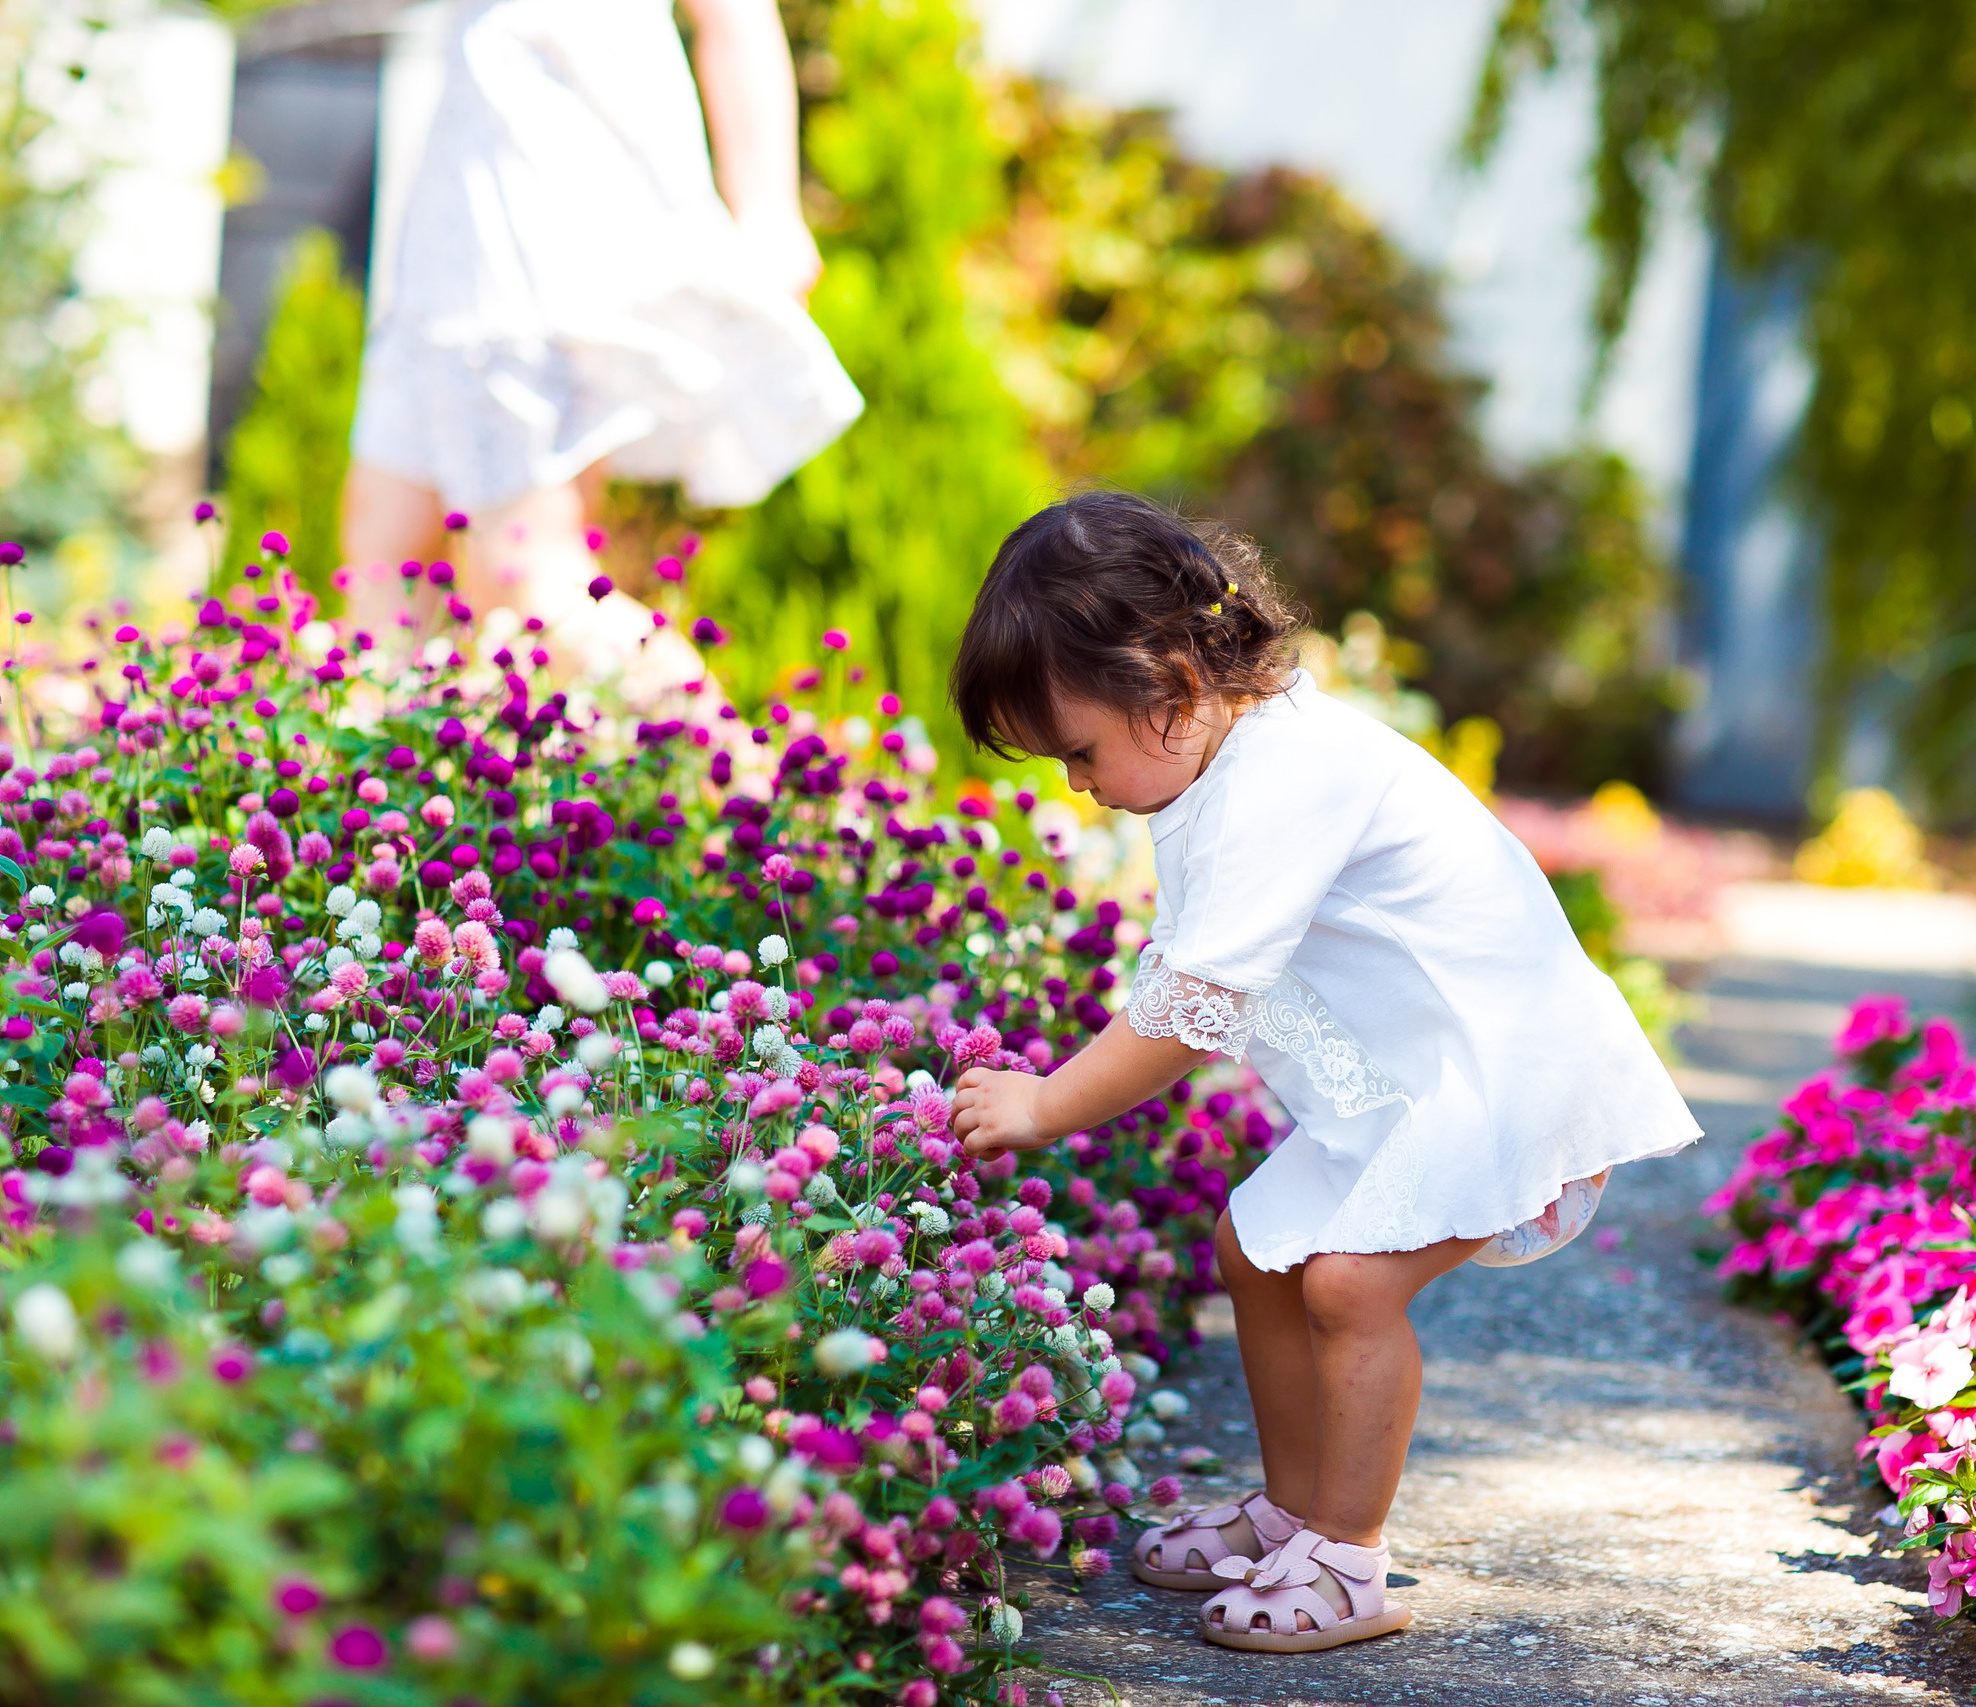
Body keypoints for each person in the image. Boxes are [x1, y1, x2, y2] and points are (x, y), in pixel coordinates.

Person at [946, 491, 1700, 1654]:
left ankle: (1348, 1560)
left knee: (1349, 1285)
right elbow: (1190, 968)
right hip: (1408, 1080)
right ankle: (1292, 1514)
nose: (1075, 786)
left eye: (1078, 751)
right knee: (1255, 1248)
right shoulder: (1219, 753)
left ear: (1173, 688)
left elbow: (1194, 1009)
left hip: (1497, 1065)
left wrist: (1047, 1103)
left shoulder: (1288, 771)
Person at [339, 0, 861, 682]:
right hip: (451, 231)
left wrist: (767, 210)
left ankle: (737, 771)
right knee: (383, 575)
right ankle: (387, 777)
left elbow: (733, 14)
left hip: (545, 211)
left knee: (527, 580)